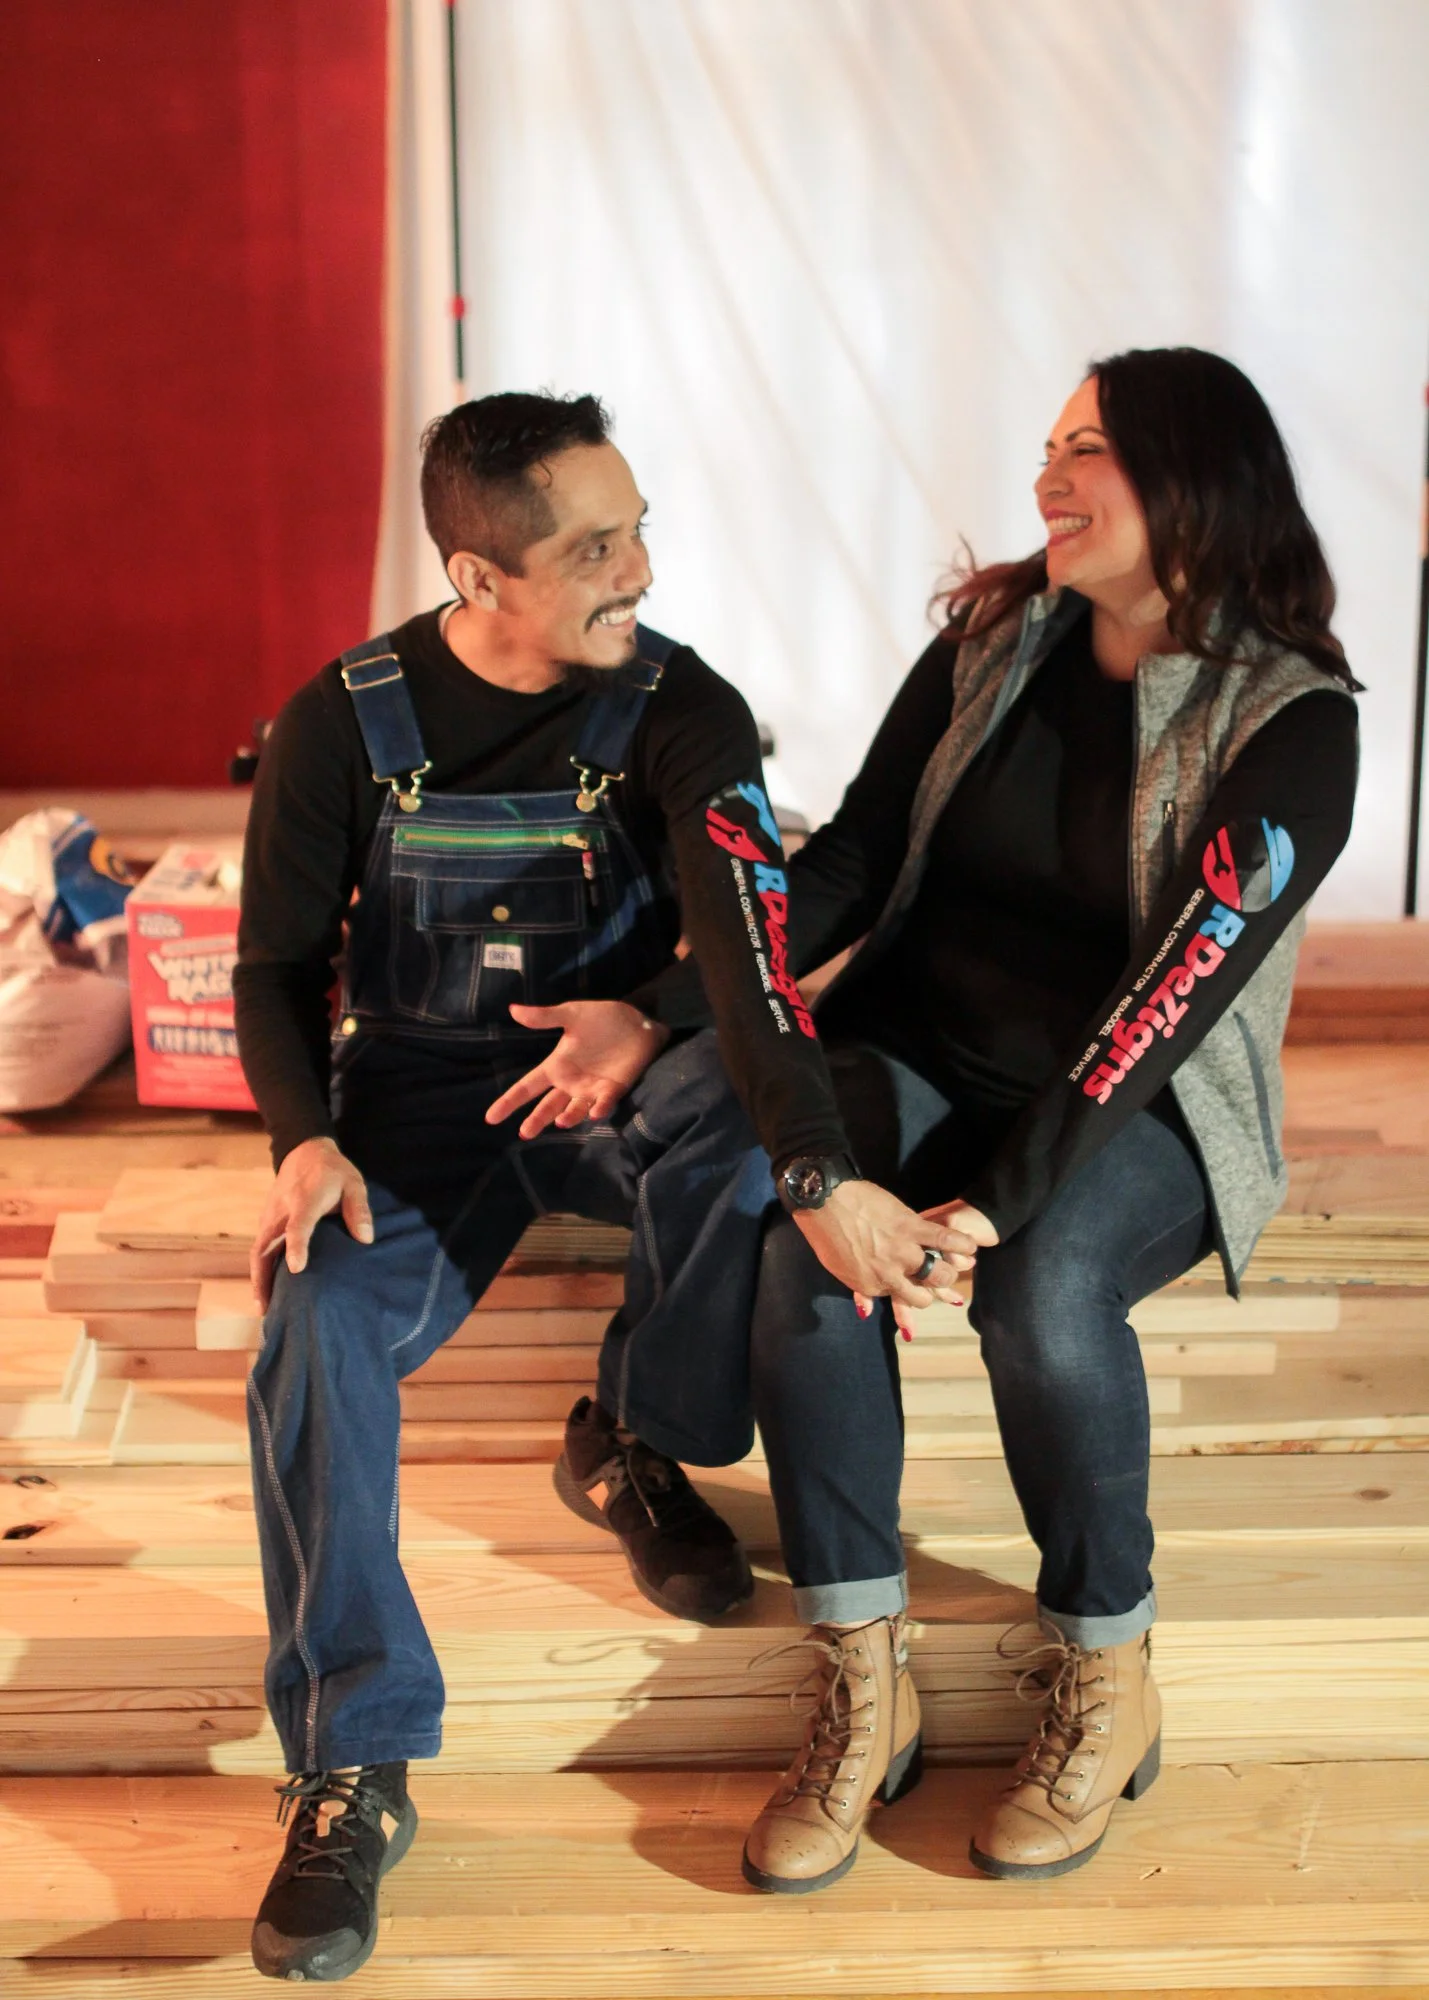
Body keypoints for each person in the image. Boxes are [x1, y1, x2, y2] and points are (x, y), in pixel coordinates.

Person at [529, 347, 1359, 1892]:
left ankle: (1107, 1673)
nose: (1049, 476)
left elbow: (1170, 1002)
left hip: (1139, 1109)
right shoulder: (1000, 639)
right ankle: (862, 1675)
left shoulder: (1293, 722)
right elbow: (841, 865)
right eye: (1047, 443)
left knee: (1044, 1300)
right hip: (915, 1047)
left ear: (1197, 474)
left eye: (1092, 448)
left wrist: (999, 1199)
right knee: (812, 1241)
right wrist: (665, 1001)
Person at [233, 390, 975, 1980]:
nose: (641, 564)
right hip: (423, 1095)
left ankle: (632, 1434)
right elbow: (275, 964)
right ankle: (351, 1768)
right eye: (594, 545)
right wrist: (304, 1136)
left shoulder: (680, 707)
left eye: (637, 523)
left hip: (631, 1063)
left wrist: (698, 1055)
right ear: (478, 573)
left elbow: (754, 949)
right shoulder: (338, 721)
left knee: (738, 1131)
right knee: (311, 1318)